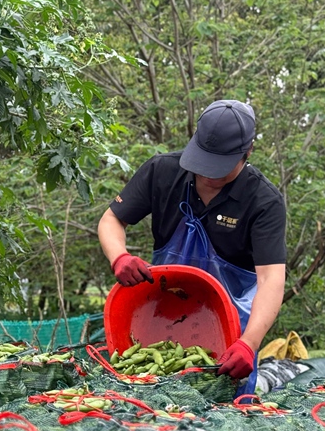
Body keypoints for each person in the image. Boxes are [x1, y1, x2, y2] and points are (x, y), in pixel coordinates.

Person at [97, 100, 286, 394]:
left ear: (247, 152)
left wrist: (249, 343)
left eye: (220, 168)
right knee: (150, 401)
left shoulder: (263, 201)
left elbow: (270, 279)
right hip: (159, 320)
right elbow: (111, 220)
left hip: (227, 330)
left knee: (225, 410)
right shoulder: (162, 171)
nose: (209, 176)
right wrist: (119, 257)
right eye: (203, 163)